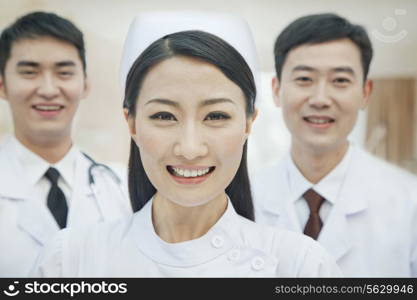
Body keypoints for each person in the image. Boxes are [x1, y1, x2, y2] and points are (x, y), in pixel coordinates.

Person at [32, 12, 341, 277]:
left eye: (216, 115)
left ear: (248, 123)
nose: (190, 149)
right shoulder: (69, 260)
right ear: (132, 123)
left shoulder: (301, 266)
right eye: (165, 115)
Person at [252, 13, 417, 277]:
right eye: (304, 79)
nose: (320, 99)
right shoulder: (243, 203)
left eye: (340, 80)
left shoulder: (409, 203)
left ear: (365, 93)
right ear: (276, 90)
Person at [0, 11, 131, 277]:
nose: (48, 89)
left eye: (64, 72)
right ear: (2, 86)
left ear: (85, 84)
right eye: (29, 72)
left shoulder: (122, 188)